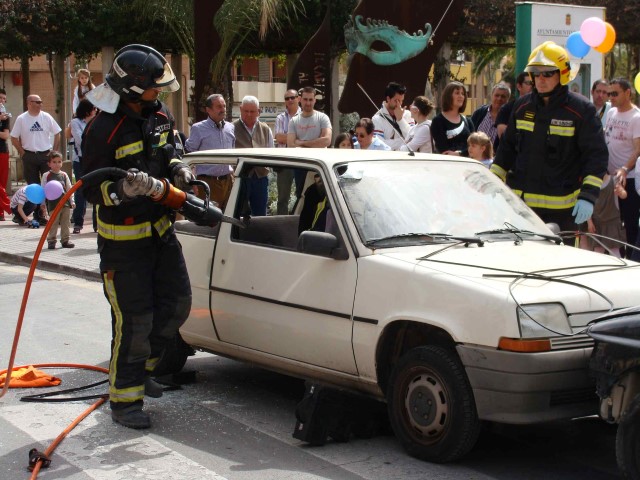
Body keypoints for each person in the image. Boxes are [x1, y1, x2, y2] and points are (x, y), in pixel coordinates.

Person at [82, 44, 194, 429]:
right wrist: (121, 192)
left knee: (178, 304)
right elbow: (88, 190)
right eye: (153, 87)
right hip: (123, 245)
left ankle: (141, 369)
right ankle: (125, 401)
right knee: (135, 321)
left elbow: (171, 151)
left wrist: (180, 172)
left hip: (161, 235)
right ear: (132, 87)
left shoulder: (159, 113)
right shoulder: (102, 129)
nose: (159, 93)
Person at [491, 41, 608, 234]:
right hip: (521, 208)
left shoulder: (581, 111)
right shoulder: (521, 107)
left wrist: (588, 196)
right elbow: (506, 151)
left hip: (562, 212)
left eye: (547, 73)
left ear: (562, 74)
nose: (540, 79)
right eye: (535, 74)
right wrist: (491, 182)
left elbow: (596, 157)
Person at [602, 78, 640, 259]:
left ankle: (632, 260)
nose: (611, 98)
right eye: (609, 94)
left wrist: (625, 168)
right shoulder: (610, 113)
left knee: (630, 223)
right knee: (613, 224)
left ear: (627, 93)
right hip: (609, 178)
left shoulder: (636, 117)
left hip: (629, 179)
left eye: (614, 94)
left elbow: (638, 149)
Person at [10, 94, 61, 225]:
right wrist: (23, 153)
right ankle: (35, 214)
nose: (40, 104)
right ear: (29, 103)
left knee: (47, 185)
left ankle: (46, 214)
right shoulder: (22, 119)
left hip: (45, 155)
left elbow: (57, 133)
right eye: (37, 102)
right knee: (33, 186)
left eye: (41, 102)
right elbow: (14, 137)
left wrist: (53, 152)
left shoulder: (46, 117)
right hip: (29, 155)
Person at [185, 93, 235, 210]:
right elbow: (189, 153)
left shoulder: (230, 127)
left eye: (224, 106)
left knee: (229, 218)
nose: (223, 110)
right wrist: (192, 178)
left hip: (228, 181)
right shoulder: (198, 129)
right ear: (208, 110)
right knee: (209, 220)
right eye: (219, 107)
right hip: (208, 182)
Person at [233, 95, 274, 216]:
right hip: (240, 177)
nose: (249, 114)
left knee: (260, 214)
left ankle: (259, 235)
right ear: (240, 109)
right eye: (246, 111)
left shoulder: (266, 129)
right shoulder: (231, 128)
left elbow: (271, 152)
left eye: (252, 111)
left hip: (260, 178)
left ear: (258, 111)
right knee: (238, 213)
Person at [579, 174, 626, 257]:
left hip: (612, 224)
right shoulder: (589, 183)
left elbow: (624, 195)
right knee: (598, 251)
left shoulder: (614, 180)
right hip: (597, 224)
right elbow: (587, 203)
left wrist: (621, 192)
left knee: (615, 251)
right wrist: (589, 222)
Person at [70, 99, 97, 234]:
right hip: (80, 159)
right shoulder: (76, 122)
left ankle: (96, 224)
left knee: (96, 188)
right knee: (80, 190)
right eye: (93, 109)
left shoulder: (97, 121)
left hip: (94, 159)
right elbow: (81, 141)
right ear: (87, 110)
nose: (96, 111)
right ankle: (78, 223)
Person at [274, 89, 301, 215]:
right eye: (287, 98)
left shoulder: (306, 116)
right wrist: (299, 138)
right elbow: (279, 137)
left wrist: (288, 138)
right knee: (282, 199)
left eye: (292, 97)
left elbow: (284, 137)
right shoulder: (280, 118)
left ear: (298, 99)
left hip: (303, 162)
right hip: (285, 161)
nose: (290, 100)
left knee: (302, 196)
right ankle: (281, 226)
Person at [431, 81, 475, 156]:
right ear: (448, 96)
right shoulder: (438, 121)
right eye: (457, 93)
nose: (461, 96)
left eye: (463, 94)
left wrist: (459, 154)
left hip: (468, 165)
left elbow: (475, 146)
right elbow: (444, 152)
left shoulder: (468, 121)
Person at [41, 151, 75, 249]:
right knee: (53, 222)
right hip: (53, 204)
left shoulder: (64, 175)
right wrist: (42, 203)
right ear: (49, 164)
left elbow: (69, 188)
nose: (57, 164)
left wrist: (72, 201)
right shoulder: (46, 175)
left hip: (65, 203)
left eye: (59, 162)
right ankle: (51, 240)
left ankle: (66, 240)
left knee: (66, 222)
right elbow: (43, 189)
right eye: (54, 162)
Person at [495, 72, 534, 149]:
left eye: (533, 83)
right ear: (519, 86)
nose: (532, 86)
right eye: (528, 83)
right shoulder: (507, 108)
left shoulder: (540, 108)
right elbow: (503, 136)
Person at [372, 81, 414, 150]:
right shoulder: (376, 118)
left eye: (401, 101)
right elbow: (379, 145)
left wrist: (400, 120)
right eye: (396, 101)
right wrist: (403, 142)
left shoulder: (407, 114)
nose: (399, 104)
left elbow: (412, 138)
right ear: (388, 98)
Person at [0, 89, 11, 220]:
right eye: (0, 98)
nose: (2, 101)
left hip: (2, 151)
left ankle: (1, 212)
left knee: (2, 183)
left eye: (4, 99)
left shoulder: (6, 117)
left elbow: (5, 135)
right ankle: (9, 207)